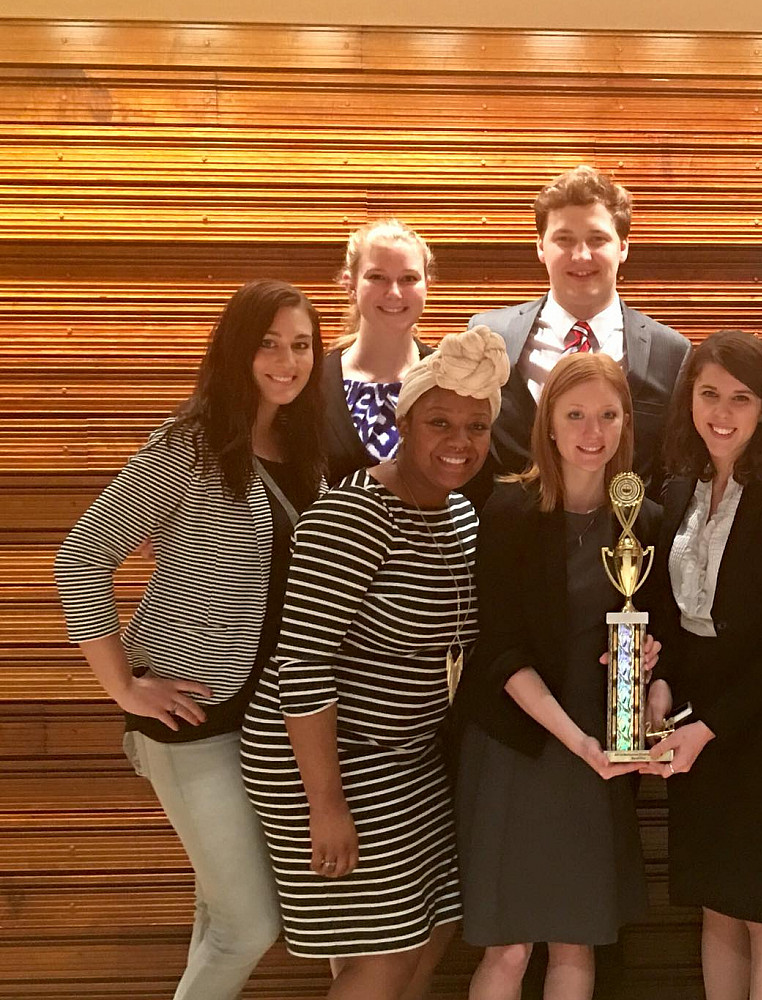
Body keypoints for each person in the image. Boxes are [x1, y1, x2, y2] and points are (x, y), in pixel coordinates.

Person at [54, 279, 325, 1000]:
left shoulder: (304, 449)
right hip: (191, 716)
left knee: (220, 914)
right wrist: (123, 686)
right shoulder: (191, 445)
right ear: (236, 349)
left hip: (267, 722)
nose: (286, 360)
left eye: (301, 345)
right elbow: (81, 556)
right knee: (248, 924)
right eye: (268, 343)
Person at [241, 326, 511, 1000]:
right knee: (384, 954)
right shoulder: (352, 516)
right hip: (331, 759)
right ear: (403, 422)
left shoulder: (461, 518)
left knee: (437, 928)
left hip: (409, 758)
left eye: (476, 426)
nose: (459, 441)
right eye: (440, 422)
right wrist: (326, 805)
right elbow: (301, 665)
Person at [453, 351, 660, 999]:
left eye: (606, 415)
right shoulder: (511, 512)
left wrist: (649, 675)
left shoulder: (644, 521)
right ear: (548, 424)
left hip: (604, 749)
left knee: (576, 940)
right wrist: (578, 745)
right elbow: (500, 652)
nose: (591, 431)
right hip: (523, 748)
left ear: (627, 423)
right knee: (511, 946)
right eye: (575, 415)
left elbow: (668, 639)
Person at [644, 329, 762, 999]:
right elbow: (671, 614)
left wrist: (707, 725)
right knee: (716, 901)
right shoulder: (680, 485)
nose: (722, 413)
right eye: (709, 395)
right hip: (698, 718)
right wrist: (662, 687)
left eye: (741, 399)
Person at [468, 165, 690, 501]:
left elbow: (675, 469)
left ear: (624, 246)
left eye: (597, 239)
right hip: (509, 542)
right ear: (541, 247)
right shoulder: (490, 336)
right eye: (564, 239)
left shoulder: (670, 352)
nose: (581, 255)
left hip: (625, 544)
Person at [321, 217, 436, 486]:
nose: (394, 292)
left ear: (427, 285)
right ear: (350, 284)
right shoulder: (313, 384)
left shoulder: (451, 380)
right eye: (377, 277)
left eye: (408, 278)